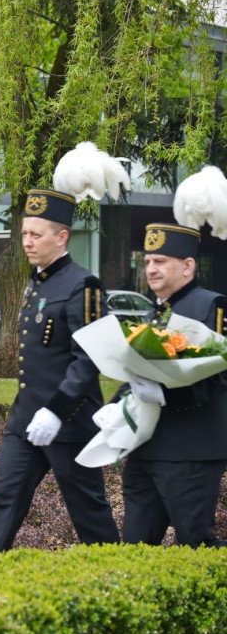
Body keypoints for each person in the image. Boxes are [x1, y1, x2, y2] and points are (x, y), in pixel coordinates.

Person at [0, 188, 119, 552]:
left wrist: (56, 412)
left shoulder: (83, 285)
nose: (27, 241)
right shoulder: (35, 283)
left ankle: (119, 579)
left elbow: (87, 358)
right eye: (24, 233)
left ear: (62, 236)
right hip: (26, 419)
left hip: (67, 422)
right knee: (2, 502)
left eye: (36, 234)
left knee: (89, 513)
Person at [120, 221, 227, 548]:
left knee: (196, 545)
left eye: (160, 261)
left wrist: (164, 393)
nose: (151, 268)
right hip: (147, 449)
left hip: (190, 449)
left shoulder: (212, 306)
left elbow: (219, 375)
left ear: (187, 266)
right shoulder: (154, 314)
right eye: (148, 261)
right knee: (136, 548)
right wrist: (116, 407)